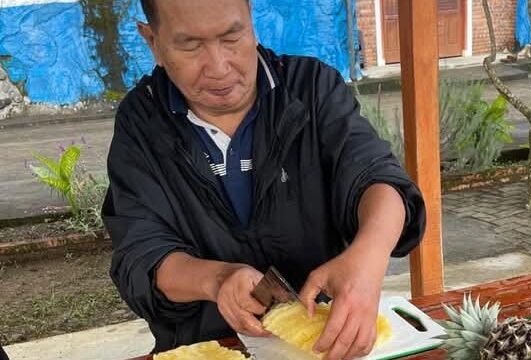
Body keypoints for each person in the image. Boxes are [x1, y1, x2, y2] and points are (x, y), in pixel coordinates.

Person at [101, 0, 426, 359]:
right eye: (190, 46)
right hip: (207, 347)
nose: (219, 68)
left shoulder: (311, 87)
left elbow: (379, 179)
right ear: (153, 42)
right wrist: (217, 280)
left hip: (324, 343)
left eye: (232, 37)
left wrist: (368, 258)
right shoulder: (141, 123)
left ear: (251, 22)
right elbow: (141, 253)